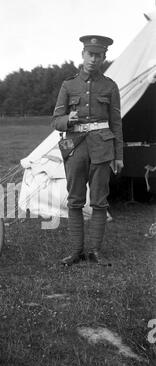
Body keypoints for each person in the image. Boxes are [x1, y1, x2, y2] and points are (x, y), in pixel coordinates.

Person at [52, 35, 124, 266]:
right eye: (90, 54)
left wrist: (119, 155)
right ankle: (76, 251)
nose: (93, 59)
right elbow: (55, 120)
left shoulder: (110, 86)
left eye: (98, 55)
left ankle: (95, 251)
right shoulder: (68, 85)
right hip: (75, 148)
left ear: (104, 58)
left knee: (100, 201)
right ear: (82, 55)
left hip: (102, 149)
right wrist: (68, 120)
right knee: (74, 200)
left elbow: (116, 124)